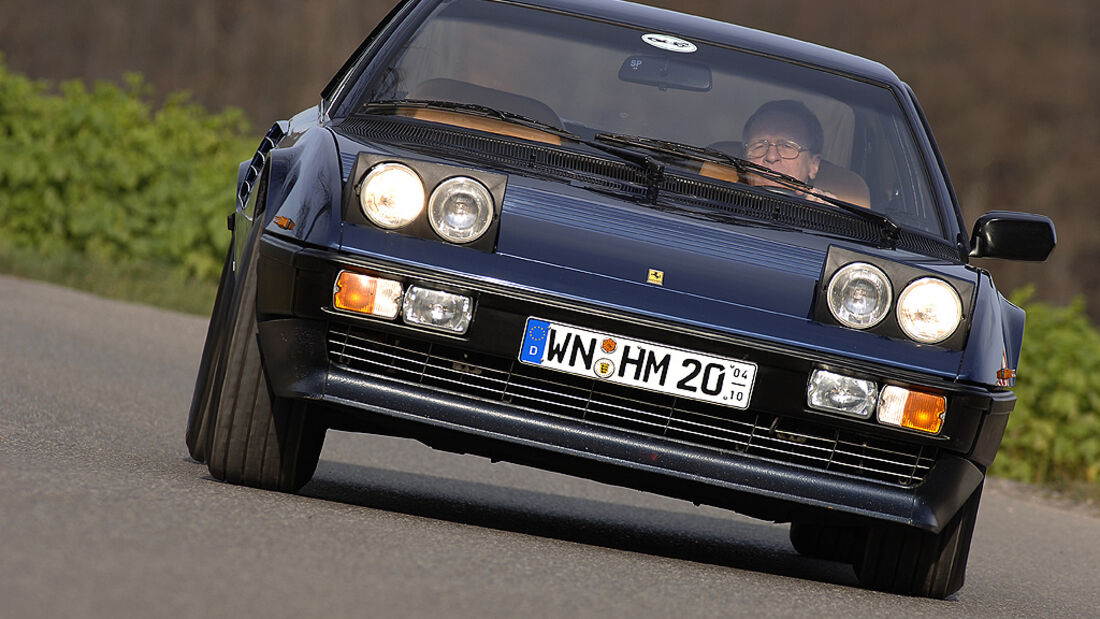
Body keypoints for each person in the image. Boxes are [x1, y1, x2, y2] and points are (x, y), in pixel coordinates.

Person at [741, 99, 828, 196]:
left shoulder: (825, 209)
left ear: (813, 165)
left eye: (786, 146)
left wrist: (825, 210)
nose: (771, 157)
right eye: (759, 146)